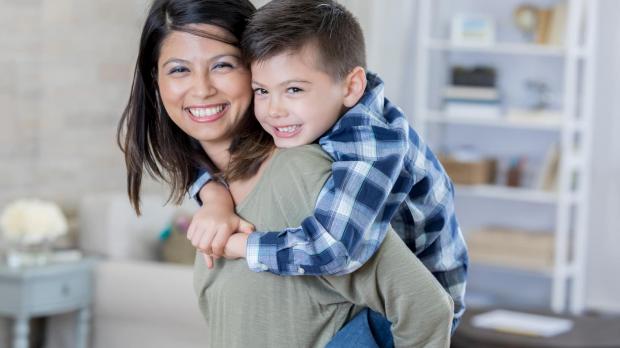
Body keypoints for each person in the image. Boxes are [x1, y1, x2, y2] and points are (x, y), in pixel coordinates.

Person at [117, 0, 454, 346]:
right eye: (178, 70)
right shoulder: (215, 186)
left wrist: (243, 242)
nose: (202, 88)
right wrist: (214, 196)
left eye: (222, 65)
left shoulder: (300, 172)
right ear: (154, 80)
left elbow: (426, 309)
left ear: (254, 65)